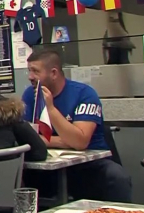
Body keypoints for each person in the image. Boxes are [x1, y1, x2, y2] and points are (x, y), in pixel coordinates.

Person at [21, 49, 132, 202]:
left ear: (53, 73)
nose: (30, 77)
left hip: (89, 166)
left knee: (117, 176)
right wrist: (63, 141)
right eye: (29, 71)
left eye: (35, 71)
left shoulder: (84, 94)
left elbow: (80, 142)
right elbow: (28, 138)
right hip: (48, 167)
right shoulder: (29, 95)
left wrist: (50, 109)